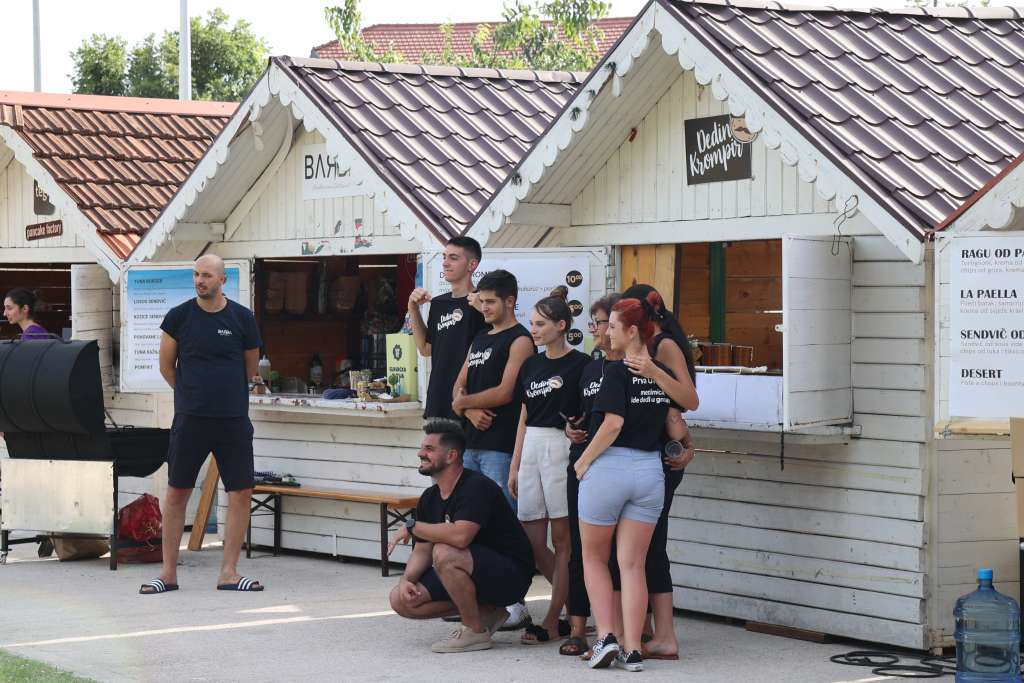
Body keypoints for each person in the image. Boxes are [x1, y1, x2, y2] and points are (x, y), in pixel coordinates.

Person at [140, 254, 263, 595]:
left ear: (222, 280)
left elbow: (249, 368)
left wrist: (224, 394)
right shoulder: (179, 317)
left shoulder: (242, 318)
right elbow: (167, 366)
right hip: (191, 420)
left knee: (240, 492)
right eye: (196, 275)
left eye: (206, 275)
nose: (199, 280)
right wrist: (193, 394)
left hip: (233, 420)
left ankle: (229, 572)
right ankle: (167, 574)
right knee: (177, 490)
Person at [574, 292, 684, 671]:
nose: (607, 335)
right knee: (633, 564)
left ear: (632, 330)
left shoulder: (615, 371)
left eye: (614, 328)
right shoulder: (659, 373)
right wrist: (656, 373)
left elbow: (613, 424)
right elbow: (689, 404)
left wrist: (583, 462)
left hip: (609, 468)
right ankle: (633, 648)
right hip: (649, 472)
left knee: (594, 558)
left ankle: (606, 636)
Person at [388, 420, 535, 653]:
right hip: (466, 570)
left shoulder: (476, 487)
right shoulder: (429, 497)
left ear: (451, 456)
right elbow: (422, 549)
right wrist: (406, 579)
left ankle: (474, 631)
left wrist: (414, 526)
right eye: (422, 447)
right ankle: (487, 612)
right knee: (401, 599)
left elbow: (461, 537)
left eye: (429, 449)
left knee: (445, 552)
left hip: (509, 575)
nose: (420, 453)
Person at [619, 284, 699, 661]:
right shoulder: (629, 344)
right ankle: (645, 627)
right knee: (639, 548)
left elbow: (687, 399)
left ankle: (665, 635)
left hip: (660, 459)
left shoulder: (662, 345)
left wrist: (651, 370)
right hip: (642, 454)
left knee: (651, 546)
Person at [451, 269, 535, 630]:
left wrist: (465, 403)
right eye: (480, 301)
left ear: (510, 301)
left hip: (502, 447)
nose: (482, 307)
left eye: (489, 302)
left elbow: (506, 391)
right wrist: (467, 408)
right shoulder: (481, 339)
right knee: (472, 522)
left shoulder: (520, 340)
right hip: (471, 445)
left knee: (506, 522)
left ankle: (517, 602)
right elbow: (457, 389)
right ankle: (482, 599)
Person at [510, 286, 590, 645]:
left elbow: (588, 414)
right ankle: (572, 597)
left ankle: (553, 617)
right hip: (531, 447)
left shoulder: (582, 364)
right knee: (531, 538)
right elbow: (523, 416)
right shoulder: (531, 364)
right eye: (531, 323)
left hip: (561, 446)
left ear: (561, 325)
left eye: (541, 324)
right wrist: (514, 465)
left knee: (563, 539)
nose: (534, 330)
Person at [560, 292, 621, 657]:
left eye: (599, 323)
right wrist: (571, 430)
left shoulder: (635, 367)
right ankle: (578, 626)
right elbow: (577, 412)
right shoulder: (589, 367)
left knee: (619, 554)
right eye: (596, 322)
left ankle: (619, 630)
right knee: (579, 550)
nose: (594, 329)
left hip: (614, 468)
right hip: (581, 464)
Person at [408, 237, 487, 420]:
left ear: (472, 264)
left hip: (469, 404)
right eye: (444, 257)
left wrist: (482, 308)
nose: (445, 263)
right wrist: (413, 308)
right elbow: (426, 349)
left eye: (453, 258)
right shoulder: (439, 303)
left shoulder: (483, 303)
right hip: (437, 402)